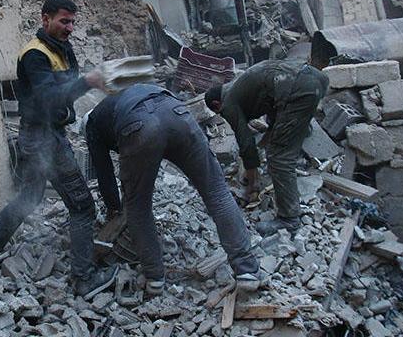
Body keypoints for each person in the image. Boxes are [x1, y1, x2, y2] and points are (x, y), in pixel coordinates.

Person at [0, 0, 116, 298]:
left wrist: (90, 79)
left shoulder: (61, 48)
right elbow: (49, 98)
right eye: (64, 21)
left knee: (30, 196)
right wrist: (89, 81)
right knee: (82, 206)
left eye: (73, 21)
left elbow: (65, 87)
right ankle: (84, 278)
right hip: (46, 139)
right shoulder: (35, 54)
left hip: (40, 136)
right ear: (45, 19)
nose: (70, 27)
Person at [84, 83, 261, 294]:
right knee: (216, 191)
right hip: (178, 113)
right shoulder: (121, 97)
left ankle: (155, 278)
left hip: (139, 124)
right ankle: (246, 270)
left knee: (137, 207)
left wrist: (114, 209)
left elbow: (104, 174)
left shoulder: (92, 125)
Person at [204, 59, 329, 236]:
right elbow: (274, 110)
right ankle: (300, 131)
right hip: (315, 78)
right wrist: (265, 143)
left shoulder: (228, 103)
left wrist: (251, 178)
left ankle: (289, 219)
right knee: (279, 127)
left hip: (299, 89)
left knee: (278, 157)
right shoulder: (239, 86)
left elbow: (245, 141)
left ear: (217, 105)